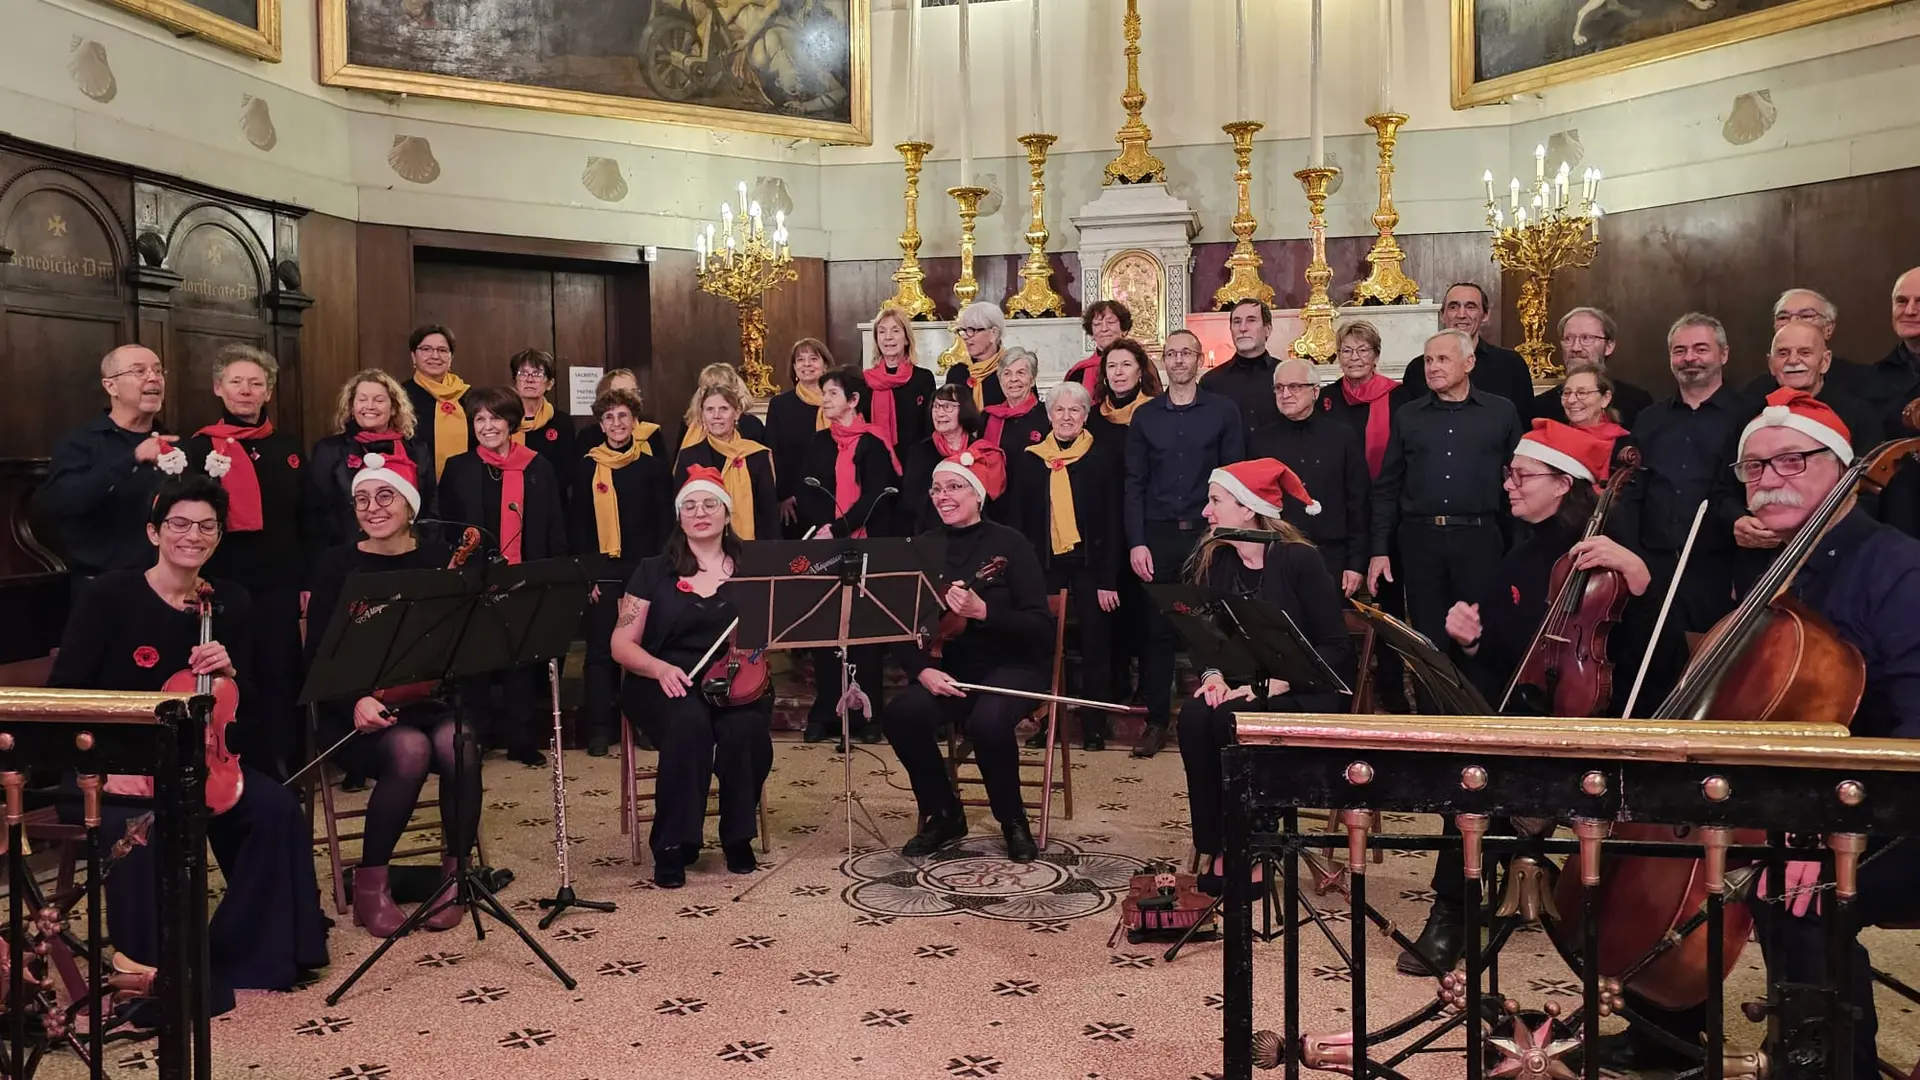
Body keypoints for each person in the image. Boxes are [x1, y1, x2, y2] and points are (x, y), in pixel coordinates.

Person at [51, 474, 328, 1016]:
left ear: (219, 537)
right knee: (143, 827)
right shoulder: (108, 595)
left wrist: (231, 674)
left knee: (274, 810)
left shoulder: (228, 601)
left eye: (206, 527)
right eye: (179, 524)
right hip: (109, 771)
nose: (192, 536)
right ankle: (153, 981)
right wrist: (107, 766)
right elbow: (66, 696)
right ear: (155, 532)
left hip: (198, 765)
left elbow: (243, 712)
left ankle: (245, 952)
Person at [1401, 421, 1654, 976]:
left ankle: (1618, 921)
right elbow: (1506, 661)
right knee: (1468, 772)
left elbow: (1653, 653)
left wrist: (1638, 577)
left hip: (1599, 719)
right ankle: (1453, 914)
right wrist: (1470, 640)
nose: (1509, 484)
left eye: (1522, 474)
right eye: (1508, 474)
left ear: (1565, 483)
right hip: (1527, 712)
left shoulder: (1611, 553)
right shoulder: (1517, 557)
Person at [1729, 388, 1920, 1080]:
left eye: (1789, 461)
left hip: (1896, 810)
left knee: (1796, 893)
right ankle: (1664, 1025)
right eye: (1753, 468)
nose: (1768, 478)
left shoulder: (1895, 567)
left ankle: (1835, 1067)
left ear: (1842, 471)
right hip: (1822, 804)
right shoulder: (1785, 570)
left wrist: (1838, 829)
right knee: (1731, 861)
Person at [305, 455, 480, 937]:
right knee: (410, 748)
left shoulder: (439, 556)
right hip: (358, 711)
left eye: (385, 496)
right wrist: (353, 700)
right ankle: (370, 884)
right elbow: (319, 652)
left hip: (427, 700)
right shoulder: (336, 563)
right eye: (362, 498)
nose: (373, 507)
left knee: (458, 741)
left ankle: (454, 875)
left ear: (410, 505)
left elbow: (459, 641)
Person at [1176, 458, 1354, 895]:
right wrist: (1214, 675)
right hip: (1244, 684)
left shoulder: (1300, 561)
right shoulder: (1221, 563)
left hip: (1306, 689)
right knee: (1195, 717)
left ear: (1248, 508)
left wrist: (1280, 682)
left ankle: (1254, 851)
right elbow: (1209, 638)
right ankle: (1220, 844)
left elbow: (1335, 648)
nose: (1206, 511)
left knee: (1226, 722)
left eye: (1215, 501)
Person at [884, 442, 1054, 862]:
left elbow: (1039, 626)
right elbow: (897, 625)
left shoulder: (1011, 545)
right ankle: (944, 813)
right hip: (949, 669)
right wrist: (922, 670)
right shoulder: (921, 547)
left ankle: (1013, 820)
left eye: (954, 487)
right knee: (901, 714)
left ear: (977, 493)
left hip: (1013, 667)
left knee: (989, 720)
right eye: (937, 488)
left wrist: (984, 611)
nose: (943, 496)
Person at [610, 466, 774, 887]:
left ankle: (737, 834)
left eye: (709, 504)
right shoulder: (653, 570)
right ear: (679, 516)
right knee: (689, 724)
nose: (700, 512)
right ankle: (672, 843)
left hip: (733, 680)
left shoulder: (752, 566)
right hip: (661, 679)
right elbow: (622, 644)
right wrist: (660, 667)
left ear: (726, 513)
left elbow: (773, 631)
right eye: (690, 505)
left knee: (746, 729)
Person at [182, 344, 311, 779]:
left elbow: (307, 518)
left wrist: (306, 581)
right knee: (236, 673)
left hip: (279, 581)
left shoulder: (289, 448)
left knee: (281, 671)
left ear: (268, 392)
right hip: (223, 582)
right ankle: (238, 763)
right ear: (219, 388)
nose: (246, 390)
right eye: (236, 382)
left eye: (256, 383)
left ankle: (286, 764)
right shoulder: (197, 449)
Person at [1367, 329, 1525, 654]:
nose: (1432, 367)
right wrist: (1379, 549)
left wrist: (1519, 548)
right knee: (1429, 643)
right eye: (1428, 360)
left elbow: (1519, 480)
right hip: (1420, 542)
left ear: (1468, 363)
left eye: (1442, 359)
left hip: (1480, 540)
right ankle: (1432, 706)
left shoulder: (1501, 412)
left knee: (1479, 638)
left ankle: (1477, 706)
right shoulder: (1408, 415)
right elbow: (1387, 487)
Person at [1125, 329, 1245, 757]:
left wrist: (1224, 532)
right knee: (1157, 631)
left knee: (1210, 628)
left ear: (1199, 360)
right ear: (1164, 361)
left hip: (1206, 534)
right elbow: (1134, 483)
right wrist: (1137, 543)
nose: (1178, 360)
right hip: (1157, 536)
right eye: (1171, 353)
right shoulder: (1146, 416)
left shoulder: (1223, 411)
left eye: (1186, 353)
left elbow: (1232, 476)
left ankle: (1217, 716)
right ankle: (1156, 721)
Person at [438, 386, 568, 767]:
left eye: (494, 418)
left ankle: (521, 739)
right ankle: (477, 736)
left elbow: (554, 525)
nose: (487, 426)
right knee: (475, 661)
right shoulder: (459, 467)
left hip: (524, 576)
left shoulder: (538, 466)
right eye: (479, 418)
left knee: (522, 661)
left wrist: (554, 573)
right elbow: (446, 526)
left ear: (510, 422)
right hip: (473, 578)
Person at [1006, 381, 1125, 750]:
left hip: (1091, 566)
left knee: (1095, 644)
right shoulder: (1031, 460)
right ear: (1049, 414)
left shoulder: (1101, 457)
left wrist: (1108, 579)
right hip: (1044, 566)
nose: (1067, 417)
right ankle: (1045, 720)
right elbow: (1018, 522)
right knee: (1043, 645)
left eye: (1075, 410)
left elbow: (1112, 521)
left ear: (1086, 416)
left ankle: (1094, 724)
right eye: (1060, 410)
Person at [1617, 313, 1748, 639]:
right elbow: (1631, 494)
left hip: (1717, 571)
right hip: (1654, 567)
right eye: (1680, 350)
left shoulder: (1746, 416)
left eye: (1701, 349)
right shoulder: (1649, 419)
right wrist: (1633, 559)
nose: (1689, 358)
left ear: (1724, 354)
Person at [796, 367, 901, 746]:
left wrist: (840, 529)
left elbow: (878, 495)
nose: (825, 400)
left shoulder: (873, 442)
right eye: (824, 394)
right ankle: (826, 710)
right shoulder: (819, 442)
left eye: (833, 394)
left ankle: (868, 715)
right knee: (826, 631)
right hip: (825, 545)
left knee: (863, 634)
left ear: (854, 400)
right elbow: (807, 491)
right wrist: (824, 529)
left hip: (864, 545)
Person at [569, 388, 672, 757]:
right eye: (609, 417)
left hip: (644, 574)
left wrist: (661, 576)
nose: (617, 424)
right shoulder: (586, 467)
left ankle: (645, 723)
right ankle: (599, 728)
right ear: (601, 424)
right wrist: (587, 575)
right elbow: (577, 525)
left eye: (623, 416)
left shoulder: (652, 467)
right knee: (599, 653)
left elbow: (664, 526)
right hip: (602, 573)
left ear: (635, 422)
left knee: (644, 649)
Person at [39, 344, 182, 593]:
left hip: (169, 583)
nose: (153, 378)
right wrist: (133, 459)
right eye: (139, 371)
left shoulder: (173, 443)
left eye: (158, 371)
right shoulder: (81, 443)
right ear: (110, 386)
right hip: (102, 586)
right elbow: (63, 503)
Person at [1249, 359, 1368, 595]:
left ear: (1315, 391)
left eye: (1294, 387)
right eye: (1279, 388)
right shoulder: (1260, 442)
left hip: (1332, 557)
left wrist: (1355, 564)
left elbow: (1359, 502)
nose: (1285, 394)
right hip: (1278, 556)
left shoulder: (1341, 436)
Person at [308, 369, 435, 554]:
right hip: (349, 555)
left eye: (379, 400)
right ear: (352, 407)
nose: (370, 406)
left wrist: (430, 552)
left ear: (393, 407)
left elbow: (431, 505)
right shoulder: (329, 450)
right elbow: (317, 513)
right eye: (362, 399)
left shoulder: (416, 449)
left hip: (409, 552)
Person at [1399, 284, 1535, 418]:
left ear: (1485, 315)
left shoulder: (1511, 364)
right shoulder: (1418, 369)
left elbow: (1525, 424)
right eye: (1453, 307)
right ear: (1442, 315)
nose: (1461, 314)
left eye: (1470, 307)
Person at [673, 380, 779, 541]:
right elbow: (680, 511)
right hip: (702, 547)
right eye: (710, 409)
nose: (716, 416)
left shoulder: (757, 455)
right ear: (702, 415)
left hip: (752, 549)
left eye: (724, 409)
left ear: (736, 413)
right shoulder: (688, 456)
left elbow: (769, 513)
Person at [1531, 307, 1654, 428]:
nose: (1576, 348)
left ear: (1609, 346)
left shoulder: (1637, 403)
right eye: (1568, 339)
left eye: (1586, 338)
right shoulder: (1541, 407)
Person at [1317, 321, 1403, 483]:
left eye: (1363, 350)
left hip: (1386, 490)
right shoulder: (1325, 398)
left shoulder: (1398, 396)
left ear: (1376, 356)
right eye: (1347, 351)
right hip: (1338, 488)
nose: (1354, 357)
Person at [766, 338, 834, 537]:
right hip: (795, 502)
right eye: (800, 360)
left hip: (836, 495)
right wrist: (783, 496)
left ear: (826, 366)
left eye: (813, 359)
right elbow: (773, 452)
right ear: (794, 367)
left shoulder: (838, 401)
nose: (806, 364)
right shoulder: (780, 405)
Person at [897, 383, 979, 535]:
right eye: (936, 406)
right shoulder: (920, 451)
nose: (939, 413)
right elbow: (910, 500)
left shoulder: (979, 450)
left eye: (947, 407)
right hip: (932, 533)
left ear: (964, 409)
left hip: (973, 533)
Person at [1201, 298, 1282, 440]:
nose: (1243, 328)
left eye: (1251, 320)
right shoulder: (1211, 382)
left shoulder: (1285, 375)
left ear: (1267, 329)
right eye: (1237, 322)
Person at [865, 304, 937, 454]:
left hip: (915, 461)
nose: (888, 337)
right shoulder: (865, 380)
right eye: (882, 331)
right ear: (876, 339)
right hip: (876, 461)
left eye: (895, 330)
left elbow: (930, 428)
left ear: (906, 339)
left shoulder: (923, 378)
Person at [508, 348, 577, 505]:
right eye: (523, 373)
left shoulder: (561, 422)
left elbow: (566, 472)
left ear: (550, 384)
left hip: (551, 503)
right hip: (509, 502)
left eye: (537, 374)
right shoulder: (504, 420)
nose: (529, 379)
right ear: (515, 381)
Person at [401, 325, 468, 480]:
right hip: (416, 483)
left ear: (451, 357)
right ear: (413, 356)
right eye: (426, 349)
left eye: (442, 350)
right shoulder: (400, 396)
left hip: (465, 486)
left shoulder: (468, 396)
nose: (435, 356)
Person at [1556, 368, 1635, 480]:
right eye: (1567, 393)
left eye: (1582, 392)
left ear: (1605, 398)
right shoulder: (1554, 438)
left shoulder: (1625, 444)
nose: (1571, 400)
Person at [577, 369, 670, 457]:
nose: (630, 397)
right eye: (622, 392)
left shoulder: (651, 432)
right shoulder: (589, 436)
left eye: (633, 391)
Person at [1091, 335, 1163, 442]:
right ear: (1105, 373)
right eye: (1112, 366)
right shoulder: (1093, 416)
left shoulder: (1156, 413)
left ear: (1140, 372)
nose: (1118, 372)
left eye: (1126, 365)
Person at [944, 302, 1011, 410]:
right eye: (963, 331)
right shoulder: (958, 373)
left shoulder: (1013, 371)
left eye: (972, 330)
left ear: (993, 333)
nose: (965, 337)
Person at [1064, 299, 1133, 394]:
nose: (1104, 329)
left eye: (1111, 322)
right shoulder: (1080, 372)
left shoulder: (1140, 364)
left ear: (1124, 329)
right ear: (1091, 333)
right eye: (1097, 324)